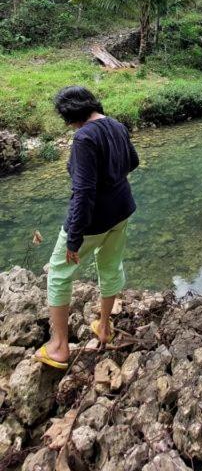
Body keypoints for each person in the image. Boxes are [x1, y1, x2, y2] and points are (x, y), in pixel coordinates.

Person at [35, 86, 139, 370]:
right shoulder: (116, 124)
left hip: (92, 221)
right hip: (122, 210)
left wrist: (73, 239)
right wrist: (112, 180)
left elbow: (83, 192)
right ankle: (104, 328)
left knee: (58, 272)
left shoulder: (83, 137)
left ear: (71, 115)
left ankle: (58, 347)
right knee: (110, 265)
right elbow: (133, 161)